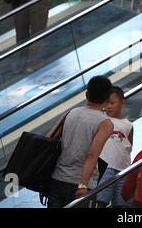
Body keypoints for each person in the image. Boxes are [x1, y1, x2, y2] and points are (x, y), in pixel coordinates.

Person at [47, 76, 114, 208]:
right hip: (80, 185)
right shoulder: (105, 123)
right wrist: (83, 184)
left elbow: (49, 139)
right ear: (107, 99)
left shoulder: (70, 113)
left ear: (87, 94)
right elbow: (92, 154)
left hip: (57, 180)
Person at [96, 86, 134, 208]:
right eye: (106, 103)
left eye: (112, 102)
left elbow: (129, 146)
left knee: (122, 204)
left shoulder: (128, 125)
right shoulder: (102, 119)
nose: (108, 106)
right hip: (105, 169)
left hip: (124, 170)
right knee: (100, 201)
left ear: (122, 102)